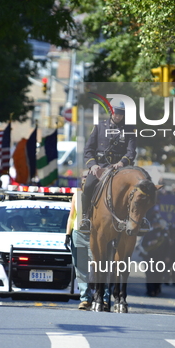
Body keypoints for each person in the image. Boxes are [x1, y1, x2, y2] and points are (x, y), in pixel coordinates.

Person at [80, 101, 137, 230]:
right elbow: (88, 150)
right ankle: (85, 218)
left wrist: (122, 162)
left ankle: (137, 218)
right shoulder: (99, 126)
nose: (118, 116)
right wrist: (93, 166)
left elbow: (131, 151)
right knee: (88, 185)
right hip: (100, 166)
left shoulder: (129, 129)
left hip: (120, 168)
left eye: (121, 114)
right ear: (111, 112)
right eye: (116, 113)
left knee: (136, 188)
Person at [65, 188, 92, 310]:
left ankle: (103, 297)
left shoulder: (101, 191)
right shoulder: (77, 193)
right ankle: (85, 298)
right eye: (84, 178)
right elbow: (72, 216)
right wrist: (67, 234)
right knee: (80, 267)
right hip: (78, 233)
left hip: (95, 234)